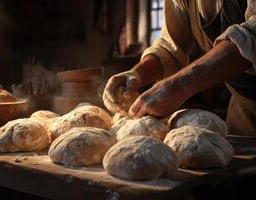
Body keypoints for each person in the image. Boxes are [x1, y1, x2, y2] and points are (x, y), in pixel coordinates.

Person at [103, 0, 256, 136]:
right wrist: (136, 74)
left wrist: (182, 84)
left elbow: (252, 35)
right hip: (243, 109)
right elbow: (170, 48)